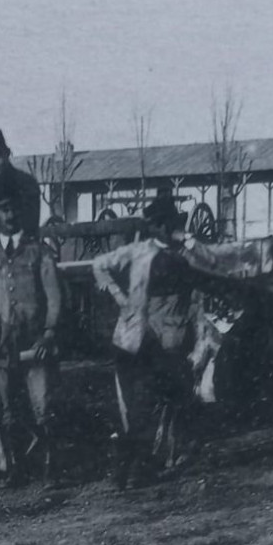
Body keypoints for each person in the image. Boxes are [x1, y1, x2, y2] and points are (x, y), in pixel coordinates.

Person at [92, 194, 228, 488]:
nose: (160, 229)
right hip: (134, 335)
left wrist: (191, 242)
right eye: (155, 224)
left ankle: (141, 466)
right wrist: (118, 295)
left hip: (170, 335)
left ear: (171, 225)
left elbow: (215, 266)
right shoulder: (139, 251)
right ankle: (127, 469)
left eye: (163, 224)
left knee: (157, 400)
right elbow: (100, 264)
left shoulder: (189, 253)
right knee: (134, 404)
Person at [0, 193, 61, 485]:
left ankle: (52, 469)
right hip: (2, 345)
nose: (9, 216)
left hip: (34, 343)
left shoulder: (39, 252)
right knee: (8, 411)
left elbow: (54, 297)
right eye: (2, 210)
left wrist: (49, 333)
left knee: (43, 407)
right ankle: (18, 469)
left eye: (14, 209)